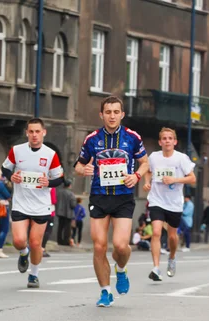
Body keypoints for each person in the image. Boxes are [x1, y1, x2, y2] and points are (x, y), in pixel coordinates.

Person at [74, 96, 149, 307]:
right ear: (101, 115)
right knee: (99, 247)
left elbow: (144, 162)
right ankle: (105, 291)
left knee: (120, 245)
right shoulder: (91, 139)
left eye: (116, 112)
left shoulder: (132, 137)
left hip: (123, 197)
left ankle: (121, 269)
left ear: (122, 114)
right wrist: (84, 170)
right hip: (99, 196)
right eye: (108, 112)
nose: (112, 116)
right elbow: (78, 166)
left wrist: (136, 176)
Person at [1, 118, 64, 288]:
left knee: (36, 243)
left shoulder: (50, 154)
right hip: (20, 202)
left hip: (41, 205)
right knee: (19, 241)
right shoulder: (17, 150)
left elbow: (59, 179)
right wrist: (10, 176)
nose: (34, 135)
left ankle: (34, 274)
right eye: (31, 132)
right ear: (26, 133)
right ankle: (23, 253)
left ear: (43, 133)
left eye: (38, 131)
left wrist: (47, 183)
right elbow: (5, 168)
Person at [142, 128, 196, 280]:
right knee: (157, 232)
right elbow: (148, 171)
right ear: (160, 142)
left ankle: (172, 257)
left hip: (174, 203)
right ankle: (156, 268)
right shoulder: (154, 157)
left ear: (175, 142)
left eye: (170, 138)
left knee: (172, 236)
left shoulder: (181, 158)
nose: (167, 141)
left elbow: (192, 179)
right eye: (164, 138)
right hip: (156, 200)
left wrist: (175, 180)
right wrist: (147, 182)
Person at [55, 180, 75, 246]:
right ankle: (66, 241)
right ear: (69, 185)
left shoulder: (59, 192)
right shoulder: (71, 194)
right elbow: (73, 205)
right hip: (68, 213)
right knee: (67, 229)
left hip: (60, 213)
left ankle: (59, 241)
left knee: (60, 227)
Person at [41, 188, 57, 257]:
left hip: (39, 210)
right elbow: (53, 200)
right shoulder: (52, 187)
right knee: (48, 230)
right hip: (49, 211)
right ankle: (42, 248)